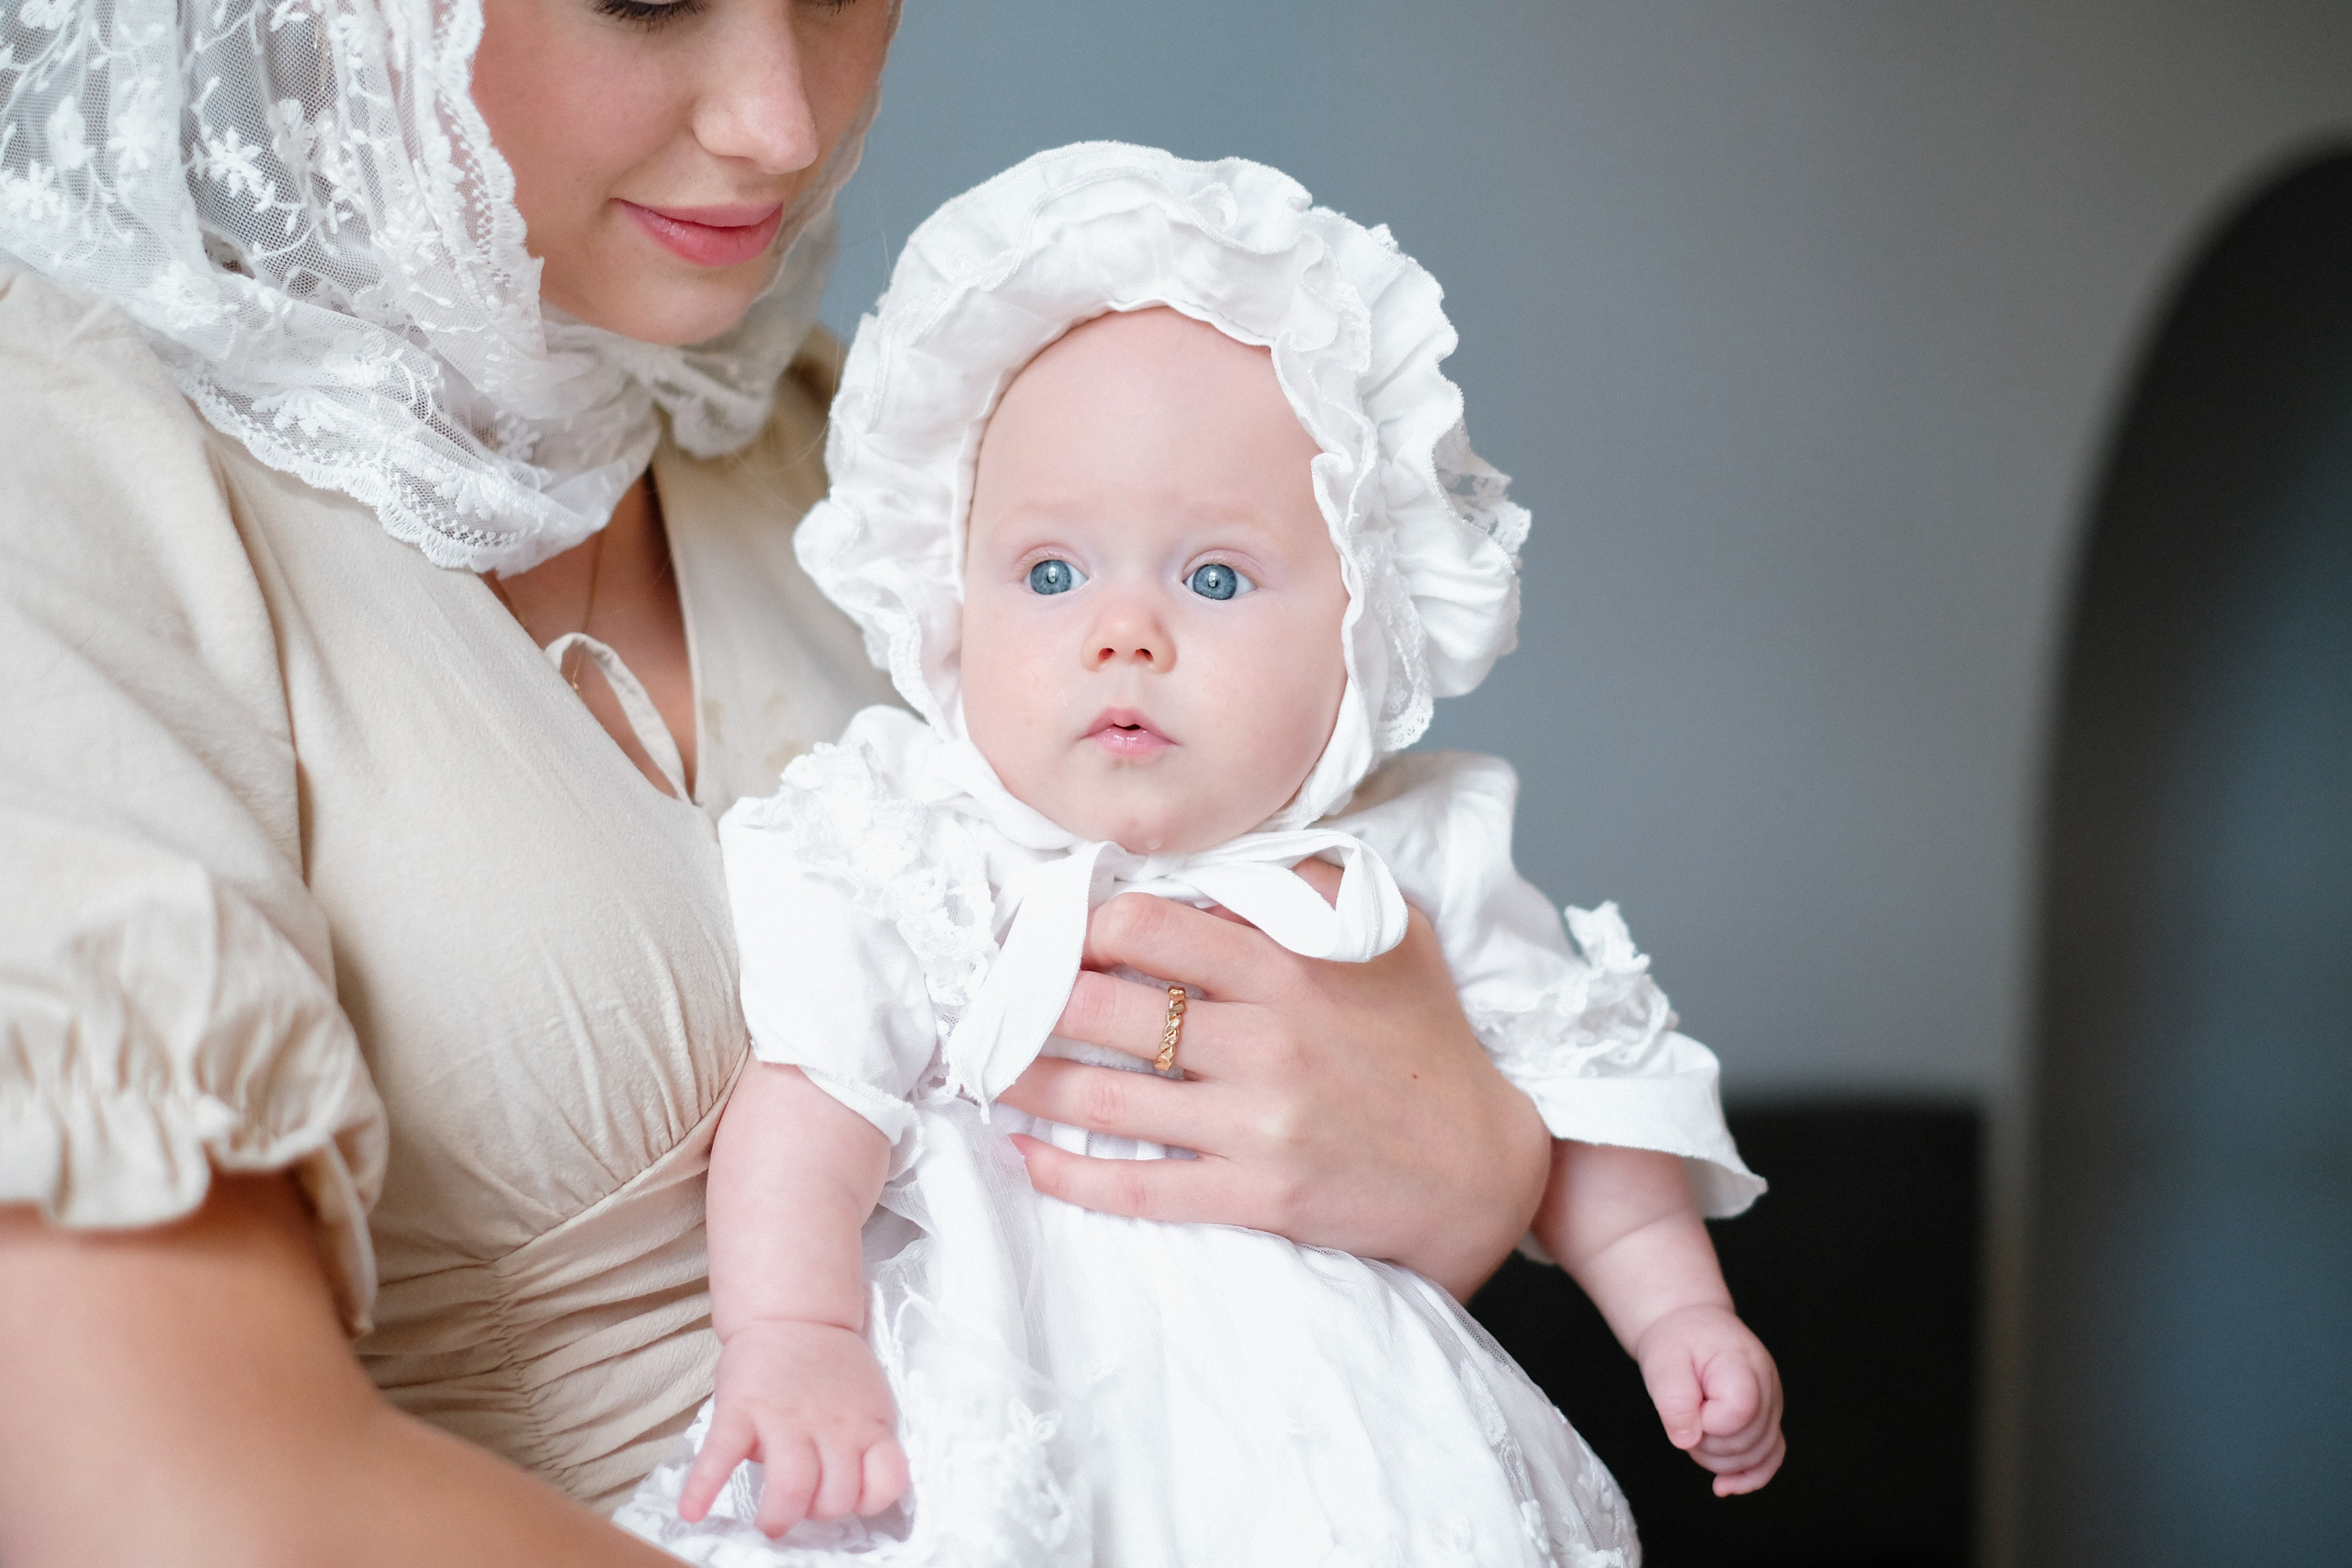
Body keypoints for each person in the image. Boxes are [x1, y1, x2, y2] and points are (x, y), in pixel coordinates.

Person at [0, 6, 1562, 1564]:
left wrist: (1468, 1167)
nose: (781, 125)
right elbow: (178, 1499)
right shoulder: (59, 462)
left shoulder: (878, 458)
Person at [615, 144, 1785, 1568]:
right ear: (947, 600)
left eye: (1214, 577)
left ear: (1365, 631)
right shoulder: (925, 844)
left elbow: (1581, 1102)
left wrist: (1679, 1315)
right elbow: (812, 1101)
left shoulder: (1411, 854)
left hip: (1348, 1463)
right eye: (1050, 574)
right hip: (1016, 1407)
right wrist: (793, 1337)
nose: (1123, 632)